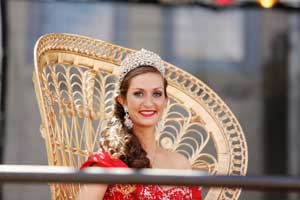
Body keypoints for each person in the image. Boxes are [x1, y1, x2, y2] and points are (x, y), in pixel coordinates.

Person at [77, 49, 202, 200]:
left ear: (165, 100)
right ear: (122, 101)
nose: (149, 103)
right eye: (138, 93)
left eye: (156, 94)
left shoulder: (181, 164)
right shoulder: (105, 164)